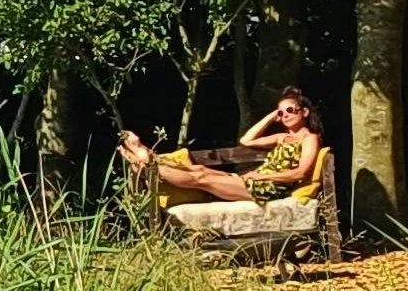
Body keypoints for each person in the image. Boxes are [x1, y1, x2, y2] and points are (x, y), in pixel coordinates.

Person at [116, 88, 324, 206]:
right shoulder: (281, 137)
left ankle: (147, 161)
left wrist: (261, 177)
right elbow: (246, 140)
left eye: (290, 110)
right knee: (200, 169)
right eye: (282, 112)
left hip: (266, 189)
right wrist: (272, 116)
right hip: (251, 181)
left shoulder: (309, 139)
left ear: (304, 112)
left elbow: (299, 172)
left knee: (201, 178)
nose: (285, 115)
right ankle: (150, 157)